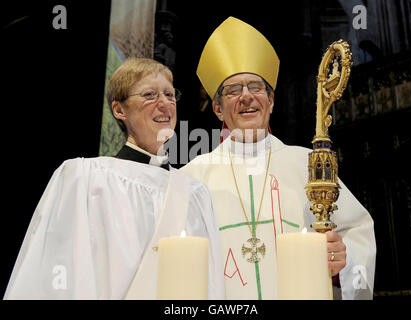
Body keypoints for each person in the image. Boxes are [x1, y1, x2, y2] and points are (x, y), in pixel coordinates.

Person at [181, 17, 376, 300]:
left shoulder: (308, 164)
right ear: (218, 110)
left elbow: (357, 233)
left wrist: (340, 265)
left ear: (270, 102)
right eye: (234, 90)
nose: (246, 97)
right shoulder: (192, 178)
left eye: (256, 87)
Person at [4, 58, 224, 300]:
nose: (164, 104)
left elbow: (210, 284)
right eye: (150, 94)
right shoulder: (86, 179)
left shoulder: (195, 193)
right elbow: (56, 271)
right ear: (119, 110)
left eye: (170, 95)